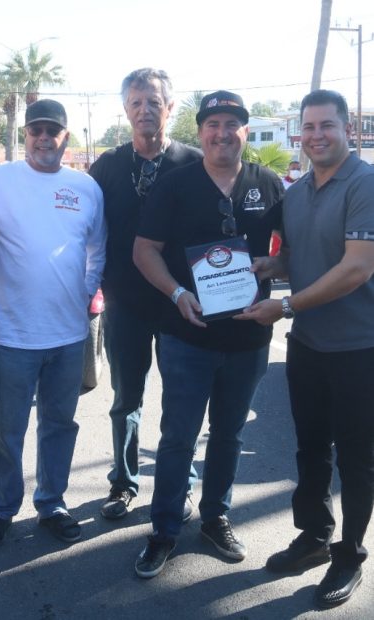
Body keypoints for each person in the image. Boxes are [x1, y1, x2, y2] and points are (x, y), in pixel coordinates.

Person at [132, 91, 283, 579]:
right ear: (200, 132)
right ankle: (164, 529)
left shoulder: (269, 183)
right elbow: (144, 251)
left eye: (232, 124)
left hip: (248, 336)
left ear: (244, 130)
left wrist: (273, 265)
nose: (223, 132)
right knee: (178, 436)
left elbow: (292, 252)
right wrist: (177, 292)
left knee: (230, 434)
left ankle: (216, 516)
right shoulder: (176, 185)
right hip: (186, 335)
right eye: (213, 123)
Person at [238, 90, 374, 609]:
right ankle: (315, 535)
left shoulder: (365, 184)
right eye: (309, 127)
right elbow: (302, 260)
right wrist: (269, 269)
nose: (317, 135)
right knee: (310, 448)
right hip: (309, 346)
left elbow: (357, 267)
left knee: (358, 460)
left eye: (327, 125)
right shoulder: (296, 193)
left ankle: (350, 554)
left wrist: (288, 307)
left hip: (360, 347)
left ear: (347, 130)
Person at [0, 99, 106, 546]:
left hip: (69, 334)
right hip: (14, 334)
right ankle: (0, 507)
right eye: (35, 131)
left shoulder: (86, 188)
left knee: (59, 424)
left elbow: (98, 247)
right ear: (24, 137)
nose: (43, 139)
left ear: (65, 138)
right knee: (6, 427)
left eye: (51, 131)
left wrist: (84, 290)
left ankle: (52, 502)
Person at [89, 68, 202, 520]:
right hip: (126, 306)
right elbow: (85, 230)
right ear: (125, 110)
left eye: (154, 102)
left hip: (182, 305)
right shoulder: (107, 167)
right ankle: (123, 482)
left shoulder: (193, 163)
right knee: (126, 400)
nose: (144, 110)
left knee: (183, 401)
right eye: (136, 102)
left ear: (170, 109)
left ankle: (182, 482)